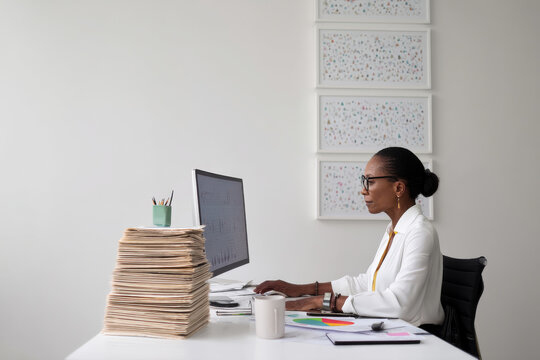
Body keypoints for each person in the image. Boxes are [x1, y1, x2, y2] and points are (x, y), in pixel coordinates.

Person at [254, 147, 444, 327]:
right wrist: (302, 289)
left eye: (370, 181)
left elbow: (399, 304)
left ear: (399, 188)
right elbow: (366, 283)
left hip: (414, 339)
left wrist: (324, 301)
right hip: (390, 329)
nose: (363, 190)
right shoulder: (393, 230)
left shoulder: (419, 232)